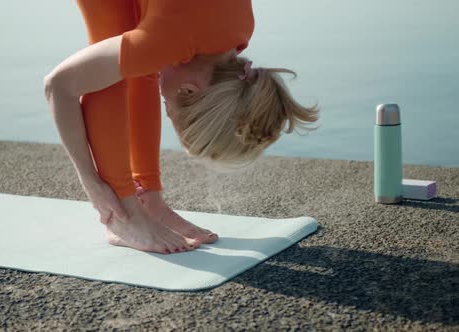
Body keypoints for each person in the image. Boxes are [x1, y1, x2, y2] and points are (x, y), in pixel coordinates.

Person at [43, 0, 319, 255]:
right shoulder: (171, 39)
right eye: (169, 108)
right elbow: (60, 84)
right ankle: (123, 217)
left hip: (169, 34)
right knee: (112, 67)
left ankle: (147, 201)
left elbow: (146, 60)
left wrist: (147, 188)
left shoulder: (237, 31)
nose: (166, 108)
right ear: (189, 91)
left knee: (131, 61)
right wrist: (91, 183)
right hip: (165, 37)